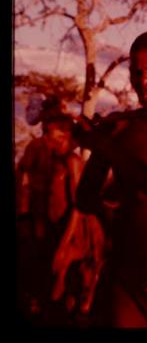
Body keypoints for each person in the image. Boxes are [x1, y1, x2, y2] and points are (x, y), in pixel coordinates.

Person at [74, 30, 147, 327]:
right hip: (129, 279)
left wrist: (109, 151)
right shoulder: (122, 129)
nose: (144, 81)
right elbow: (85, 199)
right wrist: (96, 148)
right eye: (136, 73)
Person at [16, 104, 83, 324]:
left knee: (59, 283)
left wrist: (65, 244)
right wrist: (24, 217)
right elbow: (25, 183)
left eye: (62, 131)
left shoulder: (72, 161)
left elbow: (78, 206)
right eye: (51, 129)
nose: (54, 136)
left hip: (65, 232)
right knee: (37, 273)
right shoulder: (38, 149)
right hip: (41, 225)